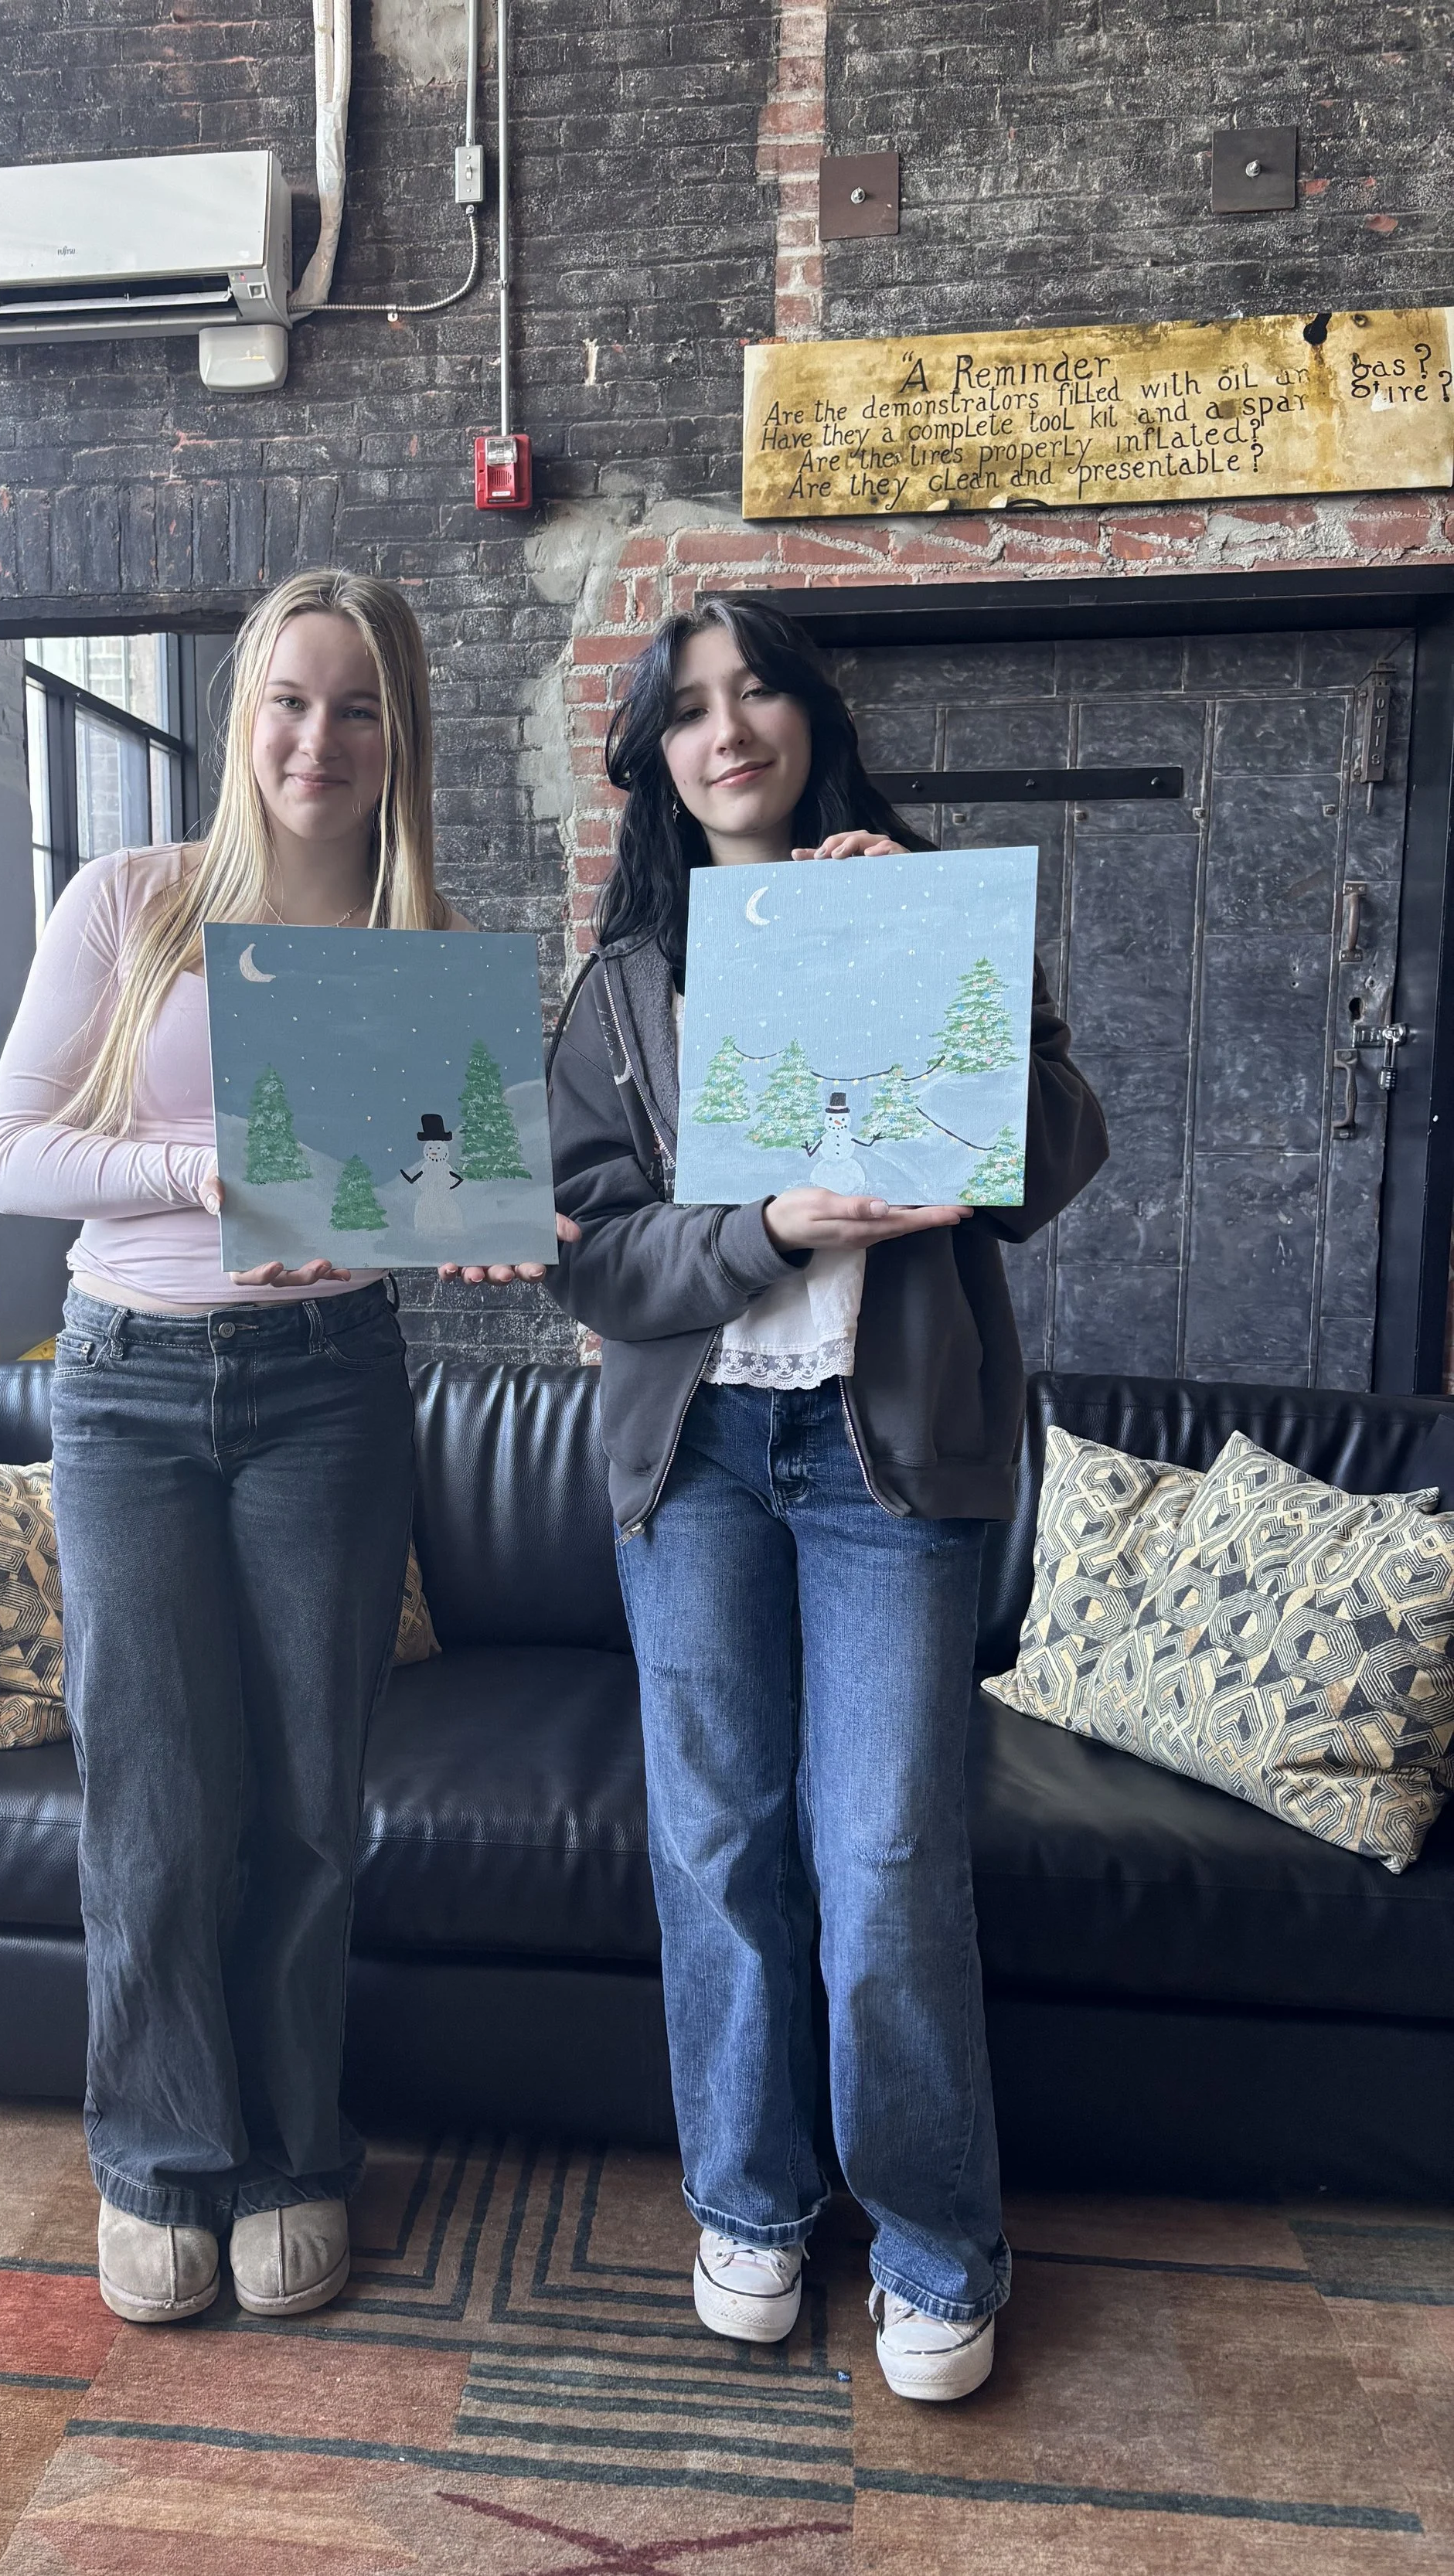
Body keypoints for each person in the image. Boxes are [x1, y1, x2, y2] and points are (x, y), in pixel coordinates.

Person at [543, 595, 1106, 2398]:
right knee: (714, 1842)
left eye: (758, 691)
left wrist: (933, 969)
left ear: (807, 719)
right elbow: (597, 1257)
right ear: (653, 757)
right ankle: (750, 2203)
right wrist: (768, 1228)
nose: (730, 731)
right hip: (695, 1453)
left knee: (876, 1857)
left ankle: (936, 2243)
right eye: (690, 708)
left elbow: (1045, 1163)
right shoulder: (622, 986)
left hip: (888, 1462)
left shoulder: (917, 909)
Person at [0, 570, 554, 2328]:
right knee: (153, 1797)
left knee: (310, 1800)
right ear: (244, 721)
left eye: (358, 706)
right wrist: (196, 1172)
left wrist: (472, 1230)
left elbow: (437, 1203)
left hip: (327, 1383)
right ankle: (159, 2162)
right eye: (290, 701)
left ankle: (297, 2152)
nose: (319, 738)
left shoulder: (420, 955)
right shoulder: (131, 902)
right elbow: (14, 1155)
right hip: (129, 1384)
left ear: (402, 739)